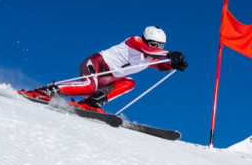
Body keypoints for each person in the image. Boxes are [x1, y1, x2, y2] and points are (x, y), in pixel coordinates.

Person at [20, 26, 188, 112]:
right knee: (88, 86)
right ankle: (46, 91)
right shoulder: (135, 41)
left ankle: (92, 102)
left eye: (160, 46)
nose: (156, 48)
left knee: (129, 82)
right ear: (147, 39)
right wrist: (170, 53)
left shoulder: (151, 56)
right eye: (154, 44)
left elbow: (161, 65)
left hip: (110, 76)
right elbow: (147, 49)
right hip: (96, 64)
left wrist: (173, 64)